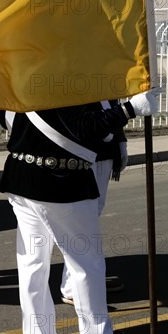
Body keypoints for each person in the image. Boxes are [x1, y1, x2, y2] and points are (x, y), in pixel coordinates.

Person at [0, 90, 159, 334]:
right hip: (61, 179)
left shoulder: (20, 72)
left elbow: (4, 117)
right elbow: (84, 128)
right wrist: (130, 109)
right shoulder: (64, 75)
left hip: (21, 174)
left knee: (32, 263)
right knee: (85, 264)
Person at [60, 99, 127, 305]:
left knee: (91, 216)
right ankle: (73, 286)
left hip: (104, 155)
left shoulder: (104, 79)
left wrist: (121, 142)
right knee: (82, 222)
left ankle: (86, 279)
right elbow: (85, 121)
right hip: (85, 155)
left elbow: (111, 107)